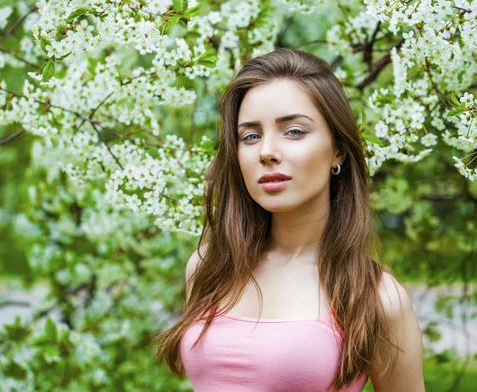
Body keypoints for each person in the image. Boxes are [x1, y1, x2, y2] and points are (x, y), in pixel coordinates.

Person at [154, 47, 425, 392]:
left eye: (294, 131)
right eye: (250, 136)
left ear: (338, 149)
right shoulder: (209, 268)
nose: (267, 151)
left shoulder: (376, 297)